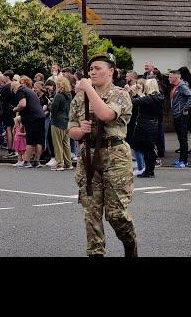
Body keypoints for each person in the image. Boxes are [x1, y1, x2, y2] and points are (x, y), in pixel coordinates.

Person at [68, 53, 137, 258]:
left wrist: (88, 88)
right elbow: (70, 129)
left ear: (111, 71)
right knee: (92, 213)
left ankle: (129, 241)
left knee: (116, 215)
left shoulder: (120, 94)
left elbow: (106, 115)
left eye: (98, 68)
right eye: (91, 69)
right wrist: (81, 131)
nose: (93, 72)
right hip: (88, 156)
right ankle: (95, 253)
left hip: (115, 156)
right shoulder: (80, 98)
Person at [132, 79, 164, 178]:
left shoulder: (150, 98)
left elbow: (135, 101)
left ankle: (149, 170)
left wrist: (135, 93)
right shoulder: (157, 97)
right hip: (153, 124)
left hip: (145, 124)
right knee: (148, 148)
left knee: (145, 148)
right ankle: (149, 170)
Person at [12, 77, 45, 168]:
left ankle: (26, 161)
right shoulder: (30, 91)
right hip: (40, 116)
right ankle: (36, 161)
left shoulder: (20, 91)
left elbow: (22, 104)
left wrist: (16, 109)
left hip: (32, 118)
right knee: (39, 140)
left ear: (14, 89)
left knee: (30, 140)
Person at [169, 69, 191, 168]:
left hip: (181, 115)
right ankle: (181, 159)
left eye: (171, 77)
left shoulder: (182, 86)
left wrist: (185, 108)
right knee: (181, 138)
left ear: (176, 77)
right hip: (177, 114)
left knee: (183, 138)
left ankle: (184, 161)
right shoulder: (176, 86)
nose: (169, 78)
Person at [50, 75, 73, 170]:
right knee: (66, 144)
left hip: (57, 121)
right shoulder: (69, 95)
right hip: (66, 121)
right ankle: (68, 163)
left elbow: (53, 109)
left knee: (57, 143)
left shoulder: (58, 95)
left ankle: (59, 163)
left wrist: (49, 104)